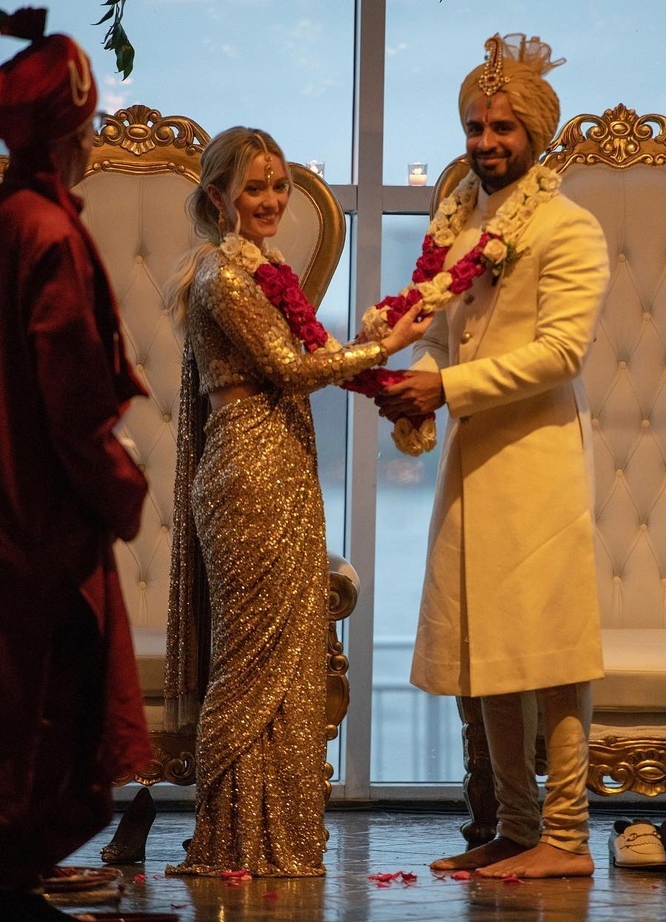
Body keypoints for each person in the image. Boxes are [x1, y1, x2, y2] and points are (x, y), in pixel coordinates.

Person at [163, 126, 431, 877]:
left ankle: (276, 843)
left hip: (282, 465)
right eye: (255, 187)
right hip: (247, 474)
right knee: (249, 666)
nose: (273, 200)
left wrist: (371, 334)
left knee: (288, 663)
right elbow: (293, 367)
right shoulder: (222, 277)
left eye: (280, 185)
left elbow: (312, 349)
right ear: (219, 197)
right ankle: (229, 840)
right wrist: (386, 347)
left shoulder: (267, 271)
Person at [376, 33, 610, 880]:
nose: (485, 142)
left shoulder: (568, 227)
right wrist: (419, 381)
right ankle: (514, 828)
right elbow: (443, 331)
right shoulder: (463, 225)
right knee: (491, 648)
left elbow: (561, 354)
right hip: (475, 462)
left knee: (550, 651)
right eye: (475, 125)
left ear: (536, 135)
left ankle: (570, 836)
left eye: (502, 128)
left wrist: (451, 388)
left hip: (538, 461)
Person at [0, 12, 151, 922]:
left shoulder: (8, 218)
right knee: (42, 707)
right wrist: (121, 492)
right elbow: (70, 402)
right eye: (88, 128)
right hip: (37, 521)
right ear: (67, 131)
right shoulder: (49, 235)